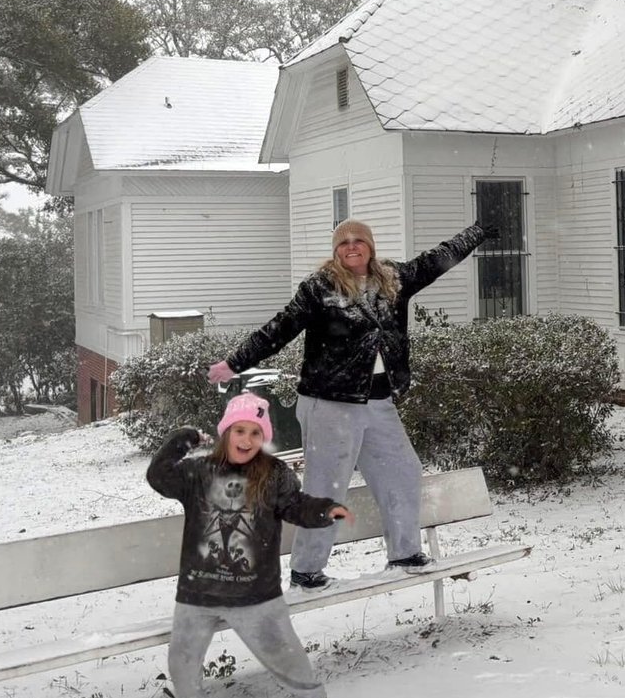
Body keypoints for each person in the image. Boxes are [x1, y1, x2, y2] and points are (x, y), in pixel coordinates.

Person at [207, 218, 493, 589]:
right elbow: (279, 329)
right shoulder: (319, 289)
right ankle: (306, 570)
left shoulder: (392, 280)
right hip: (330, 402)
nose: (352, 247)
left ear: (371, 247)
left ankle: (404, 553)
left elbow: (437, 259)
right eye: (344, 243)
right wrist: (234, 363)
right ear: (336, 251)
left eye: (359, 241)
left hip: (378, 400)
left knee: (403, 471)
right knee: (327, 486)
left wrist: (478, 231)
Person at [147, 393, 352, 698]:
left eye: (255, 432)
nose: (247, 439)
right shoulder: (198, 473)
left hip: (255, 594)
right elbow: (158, 476)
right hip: (199, 593)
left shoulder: (273, 475)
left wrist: (323, 509)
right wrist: (182, 439)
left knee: (285, 653)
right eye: (239, 430)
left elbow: (295, 505)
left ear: (264, 438)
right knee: (182, 660)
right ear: (226, 432)